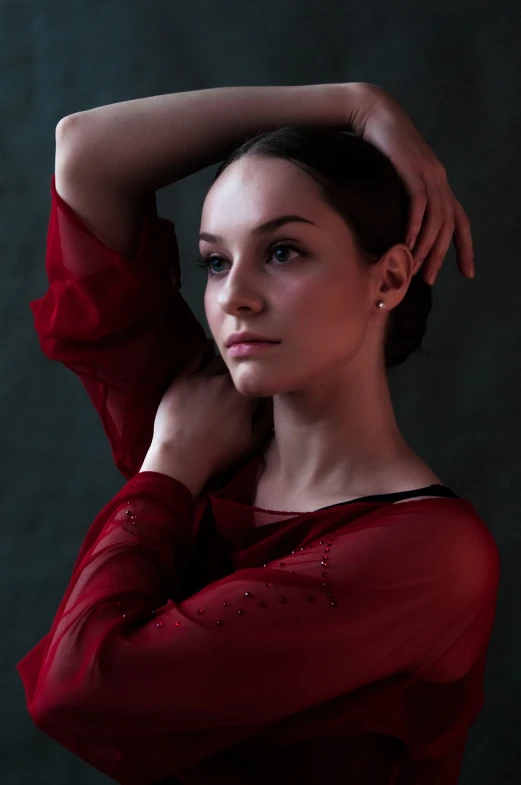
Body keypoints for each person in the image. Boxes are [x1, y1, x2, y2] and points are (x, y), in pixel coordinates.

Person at [17, 84, 498, 785]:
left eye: (281, 251)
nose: (233, 296)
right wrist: (352, 104)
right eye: (215, 260)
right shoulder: (209, 415)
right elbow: (88, 152)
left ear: (388, 276)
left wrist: (169, 468)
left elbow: (81, 685)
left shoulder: (429, 555)